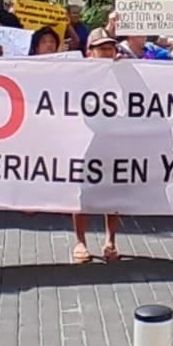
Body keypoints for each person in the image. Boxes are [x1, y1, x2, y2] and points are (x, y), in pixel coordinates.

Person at [72, 30, 126, 262]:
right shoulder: (80, 75)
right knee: (83, 193)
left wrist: (127, 71)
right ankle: (80, 242)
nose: (106, 53)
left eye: (109, 48)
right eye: (101, 48)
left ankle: (110, 241)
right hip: (84, 140)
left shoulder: (122, 72)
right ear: (90, 52)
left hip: (113, 141)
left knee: (113, 191)